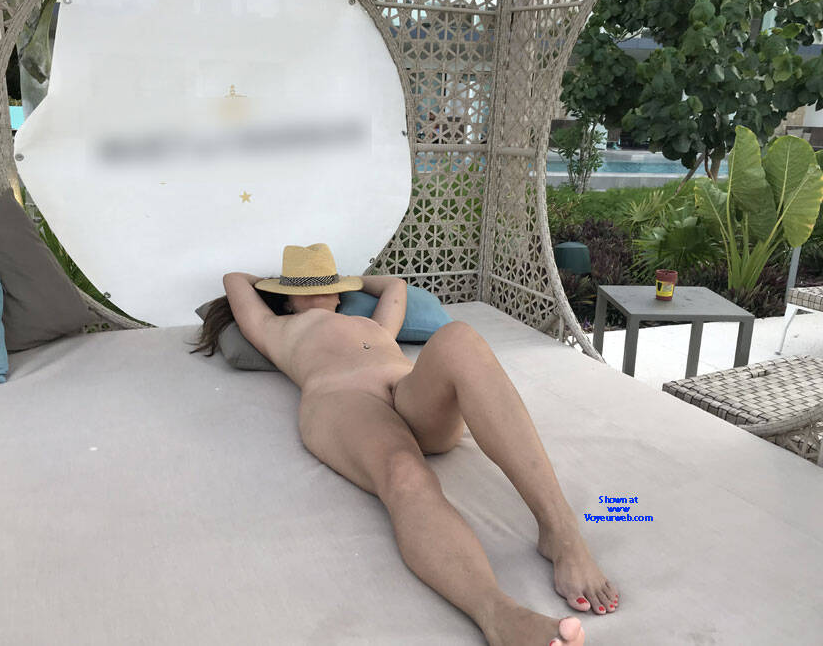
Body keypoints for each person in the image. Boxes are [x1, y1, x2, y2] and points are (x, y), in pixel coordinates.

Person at [190, 243, 618, 645]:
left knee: (460, 337)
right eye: (306, 288)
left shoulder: (374, 325)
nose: (321, 293)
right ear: (286, 299)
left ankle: (561, 533)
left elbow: (394, 285)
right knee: (404, 472)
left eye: (329, 285)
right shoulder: (274, 328)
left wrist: (348, 281)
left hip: (408, 391)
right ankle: (499, 614)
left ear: (341, 293)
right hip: (343, 401)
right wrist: (278, 285)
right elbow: (234, 280)